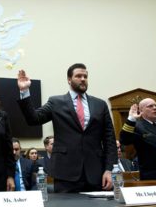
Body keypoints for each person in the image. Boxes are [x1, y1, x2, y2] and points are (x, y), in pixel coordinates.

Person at [17, 63, 117, 193]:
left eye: (85, 76)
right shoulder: (56, 102)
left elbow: (109, 139)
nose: (82, 79)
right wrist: (24, 91)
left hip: (96, 172)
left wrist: (109, 169)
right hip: (66, 173)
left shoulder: (100, 105)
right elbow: (33, 119)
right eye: (78, 76)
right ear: (69, 79)